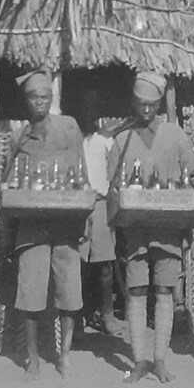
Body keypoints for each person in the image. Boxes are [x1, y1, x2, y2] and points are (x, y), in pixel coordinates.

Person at [108, 71, 194, 384]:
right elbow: (112, 187)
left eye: (152, 104)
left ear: (160, 102)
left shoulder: (176, 135)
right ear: (133, 102)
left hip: (168, 228)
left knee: (164, 291)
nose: (146, 109)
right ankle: (138, 361)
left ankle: (159, 360)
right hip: (134, 231)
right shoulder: (122, 139)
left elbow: (192, 179)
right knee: (135, 290)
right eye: (141, 103)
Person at [6, 70, 84, 380]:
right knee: (31, 294)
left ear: (51, 99)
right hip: (32, 226)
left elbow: (82, 173)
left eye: (45, 97)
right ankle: (34, 359)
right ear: (26, 101)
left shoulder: (68, 128)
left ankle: (64, 356)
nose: (40, 102)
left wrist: (82, 215)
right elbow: (8, 182)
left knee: (69, 293)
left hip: (65, 223)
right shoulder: (19, 136)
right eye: (34, 97)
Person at [76, 92, 126, 337]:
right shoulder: (73, 140)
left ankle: (106, 315)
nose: (89, 115)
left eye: (92, 111)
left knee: (104, 265)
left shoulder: (106, 141)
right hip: (77, 207)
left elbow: (116, 173)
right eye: (84, 110)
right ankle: (77, 317)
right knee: (78, 264)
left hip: (101, 204)